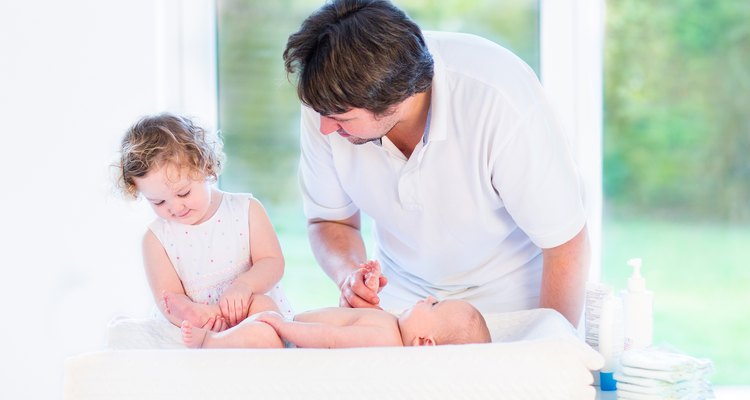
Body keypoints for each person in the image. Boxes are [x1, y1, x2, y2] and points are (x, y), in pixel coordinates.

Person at [283, 0, 590, 326]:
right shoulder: (329, 99)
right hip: (400, 305)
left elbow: (565, 245)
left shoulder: (498, 98)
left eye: (340, 118)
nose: (325, 129)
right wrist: (350, 276)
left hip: (512, 306)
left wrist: (550, 345)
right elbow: (330, 221)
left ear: (395, 99)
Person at [116, 113, 293, 332]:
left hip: (249, 317)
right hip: (199, 328)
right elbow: (169, 298)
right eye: (158, 202)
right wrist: (198, 315)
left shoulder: (245, 210)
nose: (175, 208)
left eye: (184, 193)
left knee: (263, 310)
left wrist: (244, 286)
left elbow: (272, 262)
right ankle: (213, 346)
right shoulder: (156, 239)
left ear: (206, 167)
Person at [181, 265, 491, 349]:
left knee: (262, 331)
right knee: (260, 304)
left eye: (434, 306)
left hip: (290, 341)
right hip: (290, 327)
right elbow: (353, 315)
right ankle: (225, 325)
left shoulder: (384, 340)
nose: (426, 299)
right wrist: (368, 286)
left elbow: (331, 339)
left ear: (424, 342)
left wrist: (283, 326)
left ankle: (210, 341)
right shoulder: (390, 325)